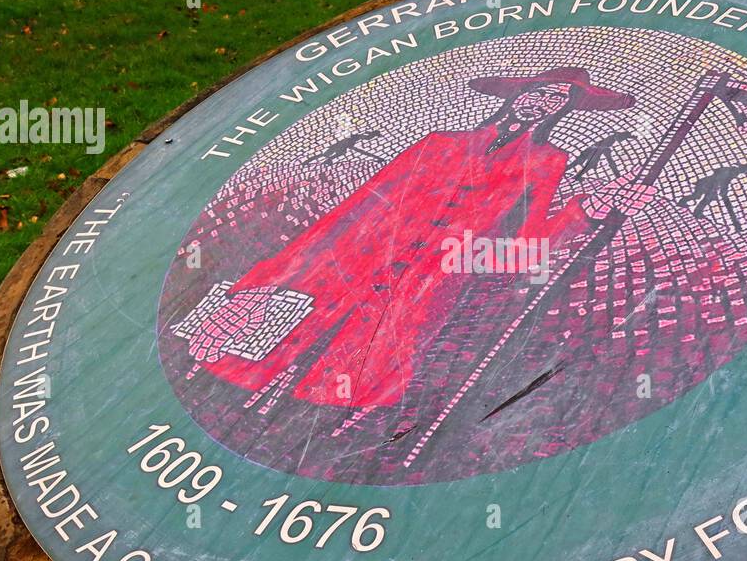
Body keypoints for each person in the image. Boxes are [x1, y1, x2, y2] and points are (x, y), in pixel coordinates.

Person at [185, 68, 655, 408]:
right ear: (517, 95)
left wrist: (584, 212)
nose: (541, 104)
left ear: (563, 112)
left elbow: (525, 251)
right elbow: (355, 208)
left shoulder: (546, 163)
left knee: (343, 394)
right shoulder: (436, 143)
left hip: (419, 291)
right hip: (348, 263)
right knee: (256, 362)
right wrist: (275, 273)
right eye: (538, 93)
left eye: (556, 102)